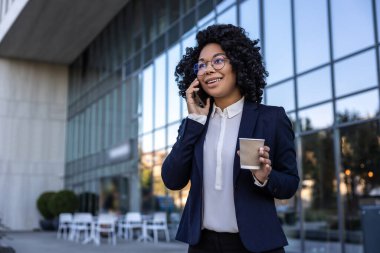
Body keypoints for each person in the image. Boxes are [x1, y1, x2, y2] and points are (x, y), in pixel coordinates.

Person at [161, 24, 299, 253]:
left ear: (238, 63)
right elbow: (172, 179)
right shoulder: (194, 124)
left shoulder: (271, 119)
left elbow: (290, 184)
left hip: (256, 246)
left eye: (218, 61)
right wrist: (195, 122)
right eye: (202, 65)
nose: (207, 70)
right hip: (202, 246)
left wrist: (265, 177)